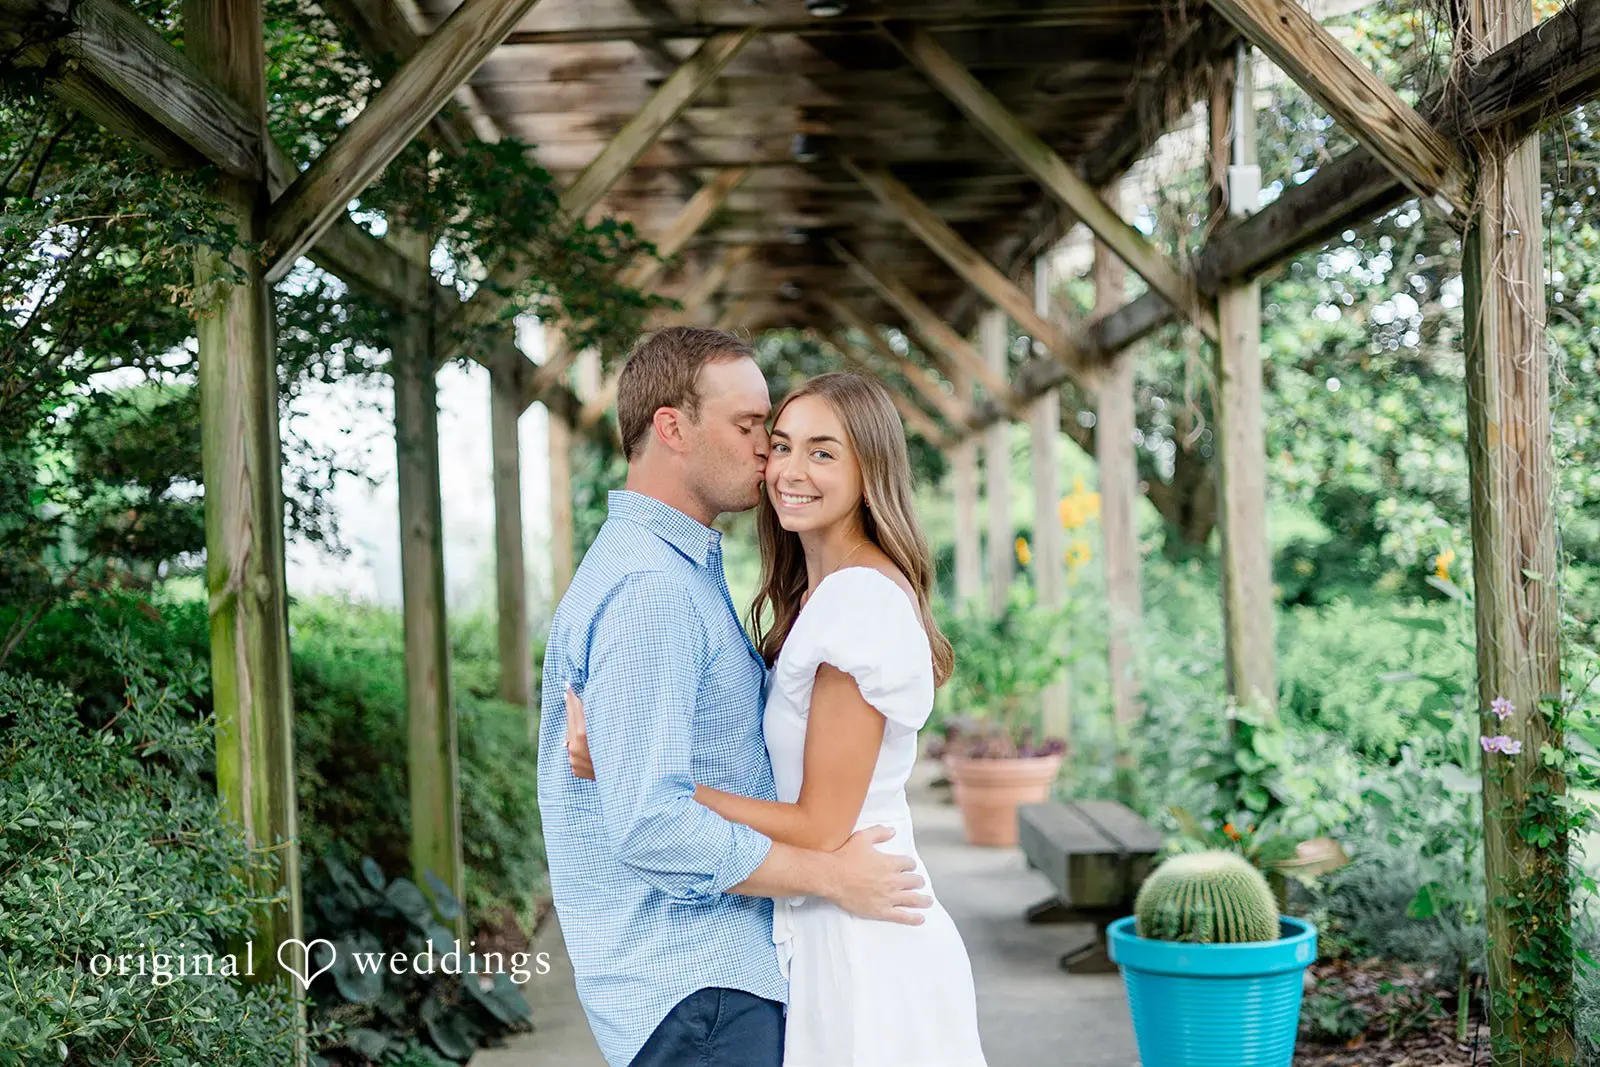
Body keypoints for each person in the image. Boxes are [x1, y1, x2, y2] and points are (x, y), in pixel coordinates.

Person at [564, 366, 989, 1067]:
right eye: (781, 443)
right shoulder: (814, 595)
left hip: (868, 934)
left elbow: (823, 823)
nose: (788, 467)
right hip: (825, 925)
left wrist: (649, 779)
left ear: (869, 470)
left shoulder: (857, 602)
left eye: (823, 452)